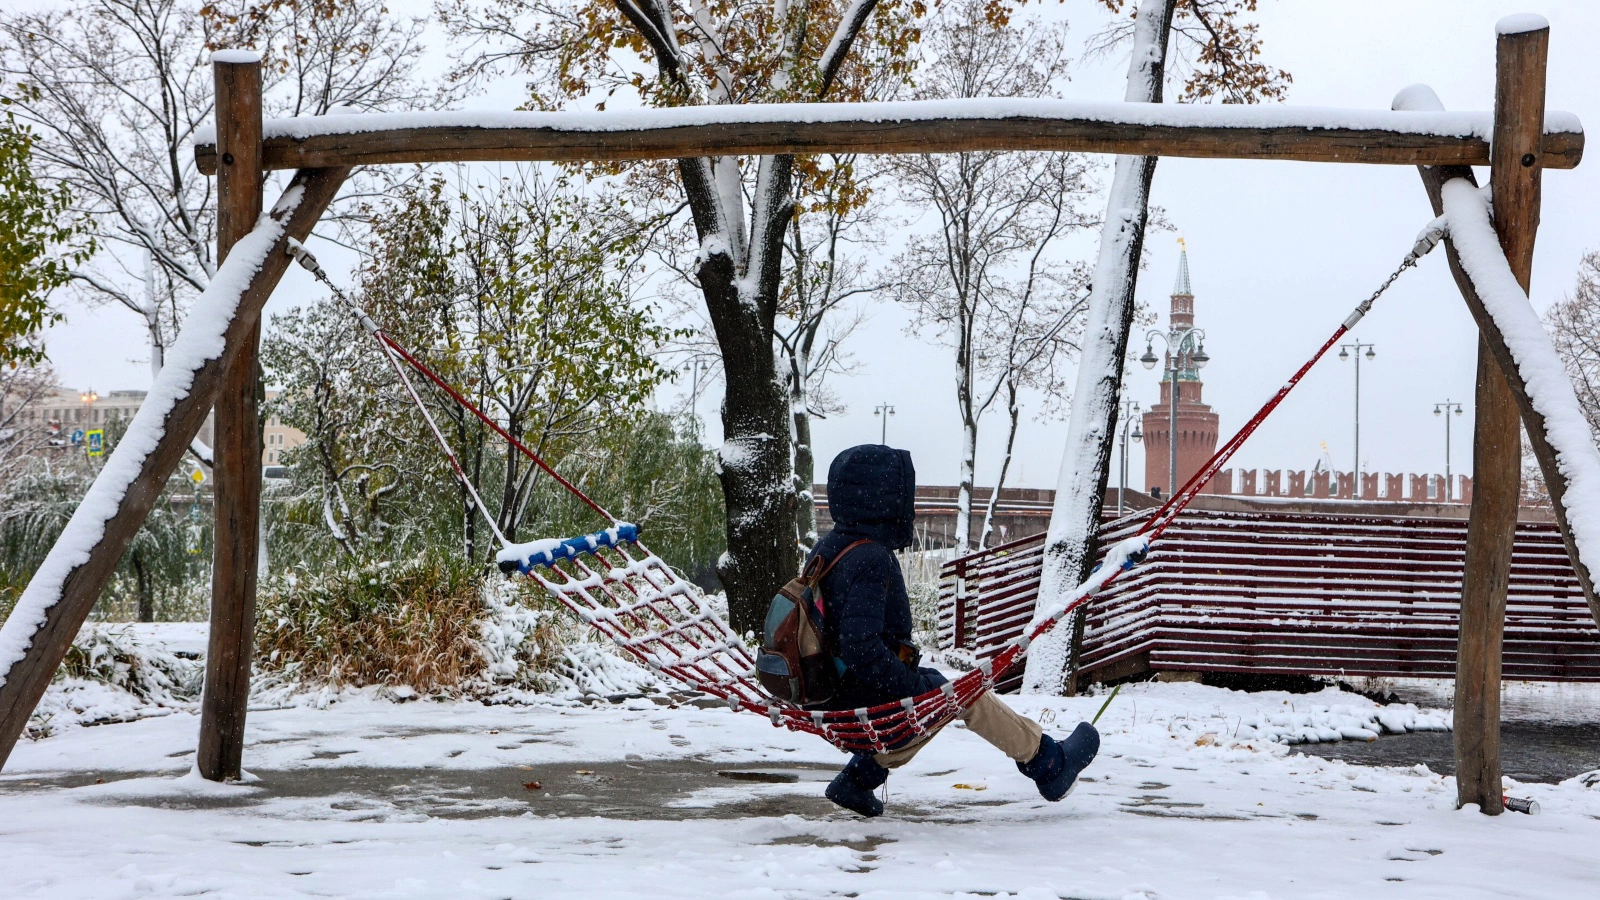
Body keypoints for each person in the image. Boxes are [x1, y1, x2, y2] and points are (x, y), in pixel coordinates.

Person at [811, 444, 1100, 817]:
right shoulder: (870, 558)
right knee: (967, 694)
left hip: (835, 695)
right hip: (860, 700)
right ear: (883, 500)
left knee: (938, 691)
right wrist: (912, 689)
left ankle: (857, 780)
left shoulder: (831, 547)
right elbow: (860, 647)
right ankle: (1049, 764)